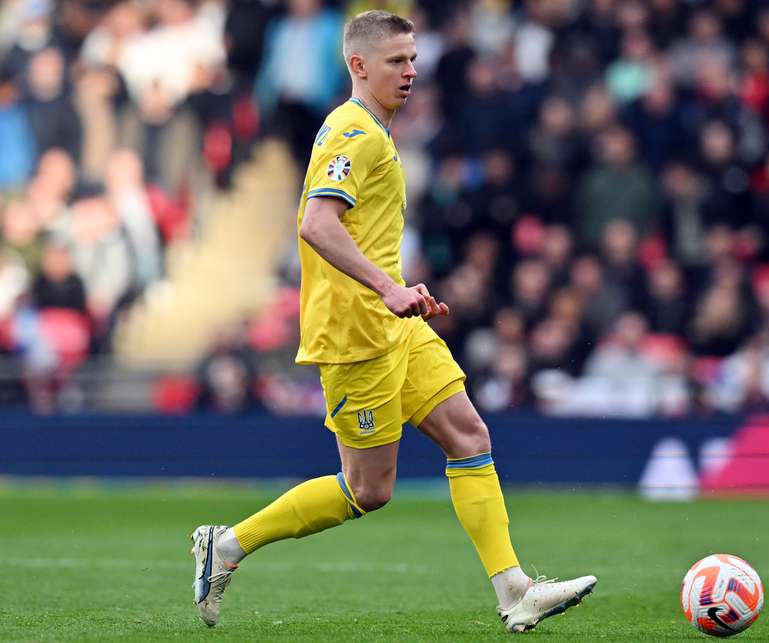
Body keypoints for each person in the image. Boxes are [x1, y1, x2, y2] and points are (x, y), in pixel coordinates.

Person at [189, 10, 596, 634]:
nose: (410, 71)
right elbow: (316, 224)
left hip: (392, 322)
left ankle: (515, 590)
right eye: (396, 61)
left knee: (470, 437)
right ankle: (229, 545)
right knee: (367, 490)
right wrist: (388, 287)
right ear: (358, 66)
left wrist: (402, 293)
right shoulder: (356, 134)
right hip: (355, 334)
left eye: (412, 59)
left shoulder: (372, 130)